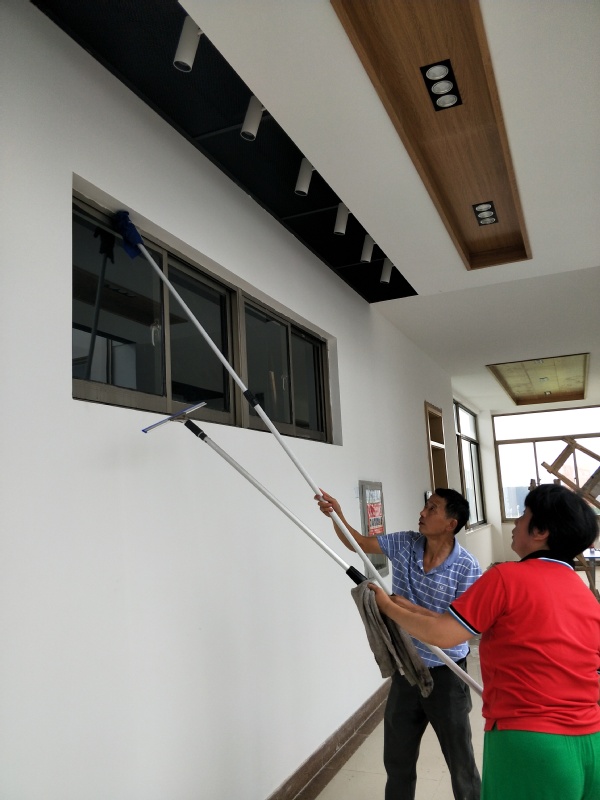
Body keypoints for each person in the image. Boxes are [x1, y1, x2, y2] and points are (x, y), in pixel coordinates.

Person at [368, 484, 600, 800]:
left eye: (523, 515)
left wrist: (386, 607)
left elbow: (442, 635)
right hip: (590, 742)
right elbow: (451, 624)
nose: (516, 523)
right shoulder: (584, 595)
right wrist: (409, 607)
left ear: (541, 531)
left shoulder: (506, 577)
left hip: (532, 741)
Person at [316, 487, 482, 800]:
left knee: (461, 763)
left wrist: (406, 609)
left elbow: (462, 630)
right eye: (425, 506)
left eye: (432, 509)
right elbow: (357, 542)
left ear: (451, 523)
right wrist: (336, 515)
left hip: (446, 674)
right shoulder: (406, 543)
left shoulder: (467, 567)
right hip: (406, 668)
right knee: (397, 759)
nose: (422, 512)